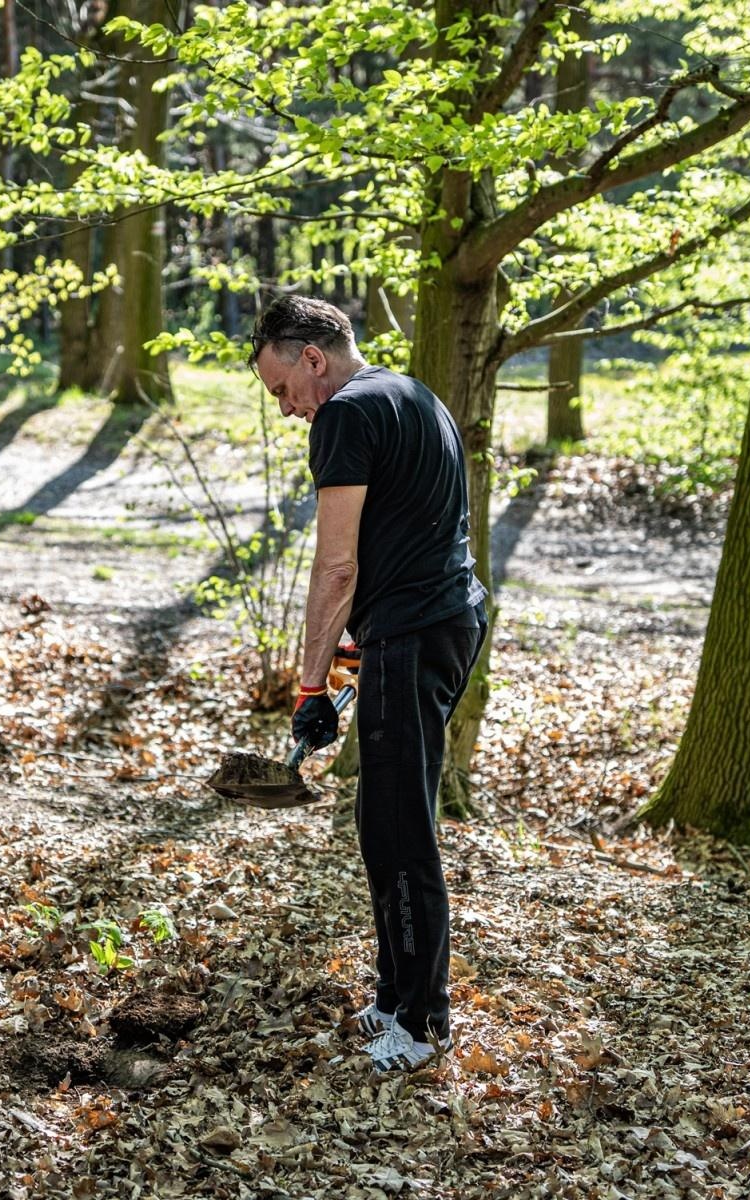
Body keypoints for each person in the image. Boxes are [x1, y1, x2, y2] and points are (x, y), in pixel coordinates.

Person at [249, 295, 487, 1073]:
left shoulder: (345, 416)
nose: (288, 410)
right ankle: (395, 997)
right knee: (382, 817)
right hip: (441, 621)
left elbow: (338, 564)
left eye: (284, 389)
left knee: (398, 828)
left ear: (313, 357)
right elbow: (409, 533)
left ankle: (421, 1023)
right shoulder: (415, 396)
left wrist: (311, 686)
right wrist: (355, 657)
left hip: (414, 637)